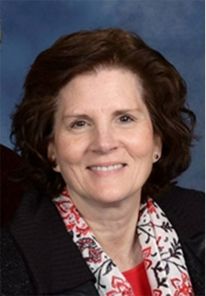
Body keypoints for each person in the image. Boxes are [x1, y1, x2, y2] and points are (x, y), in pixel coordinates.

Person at [1, 28, 204, 296]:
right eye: (79, 123)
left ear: (157, 139)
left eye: (125, 119)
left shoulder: (199, 219)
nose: (104, 143)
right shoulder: (10, 268)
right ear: (51, 149)